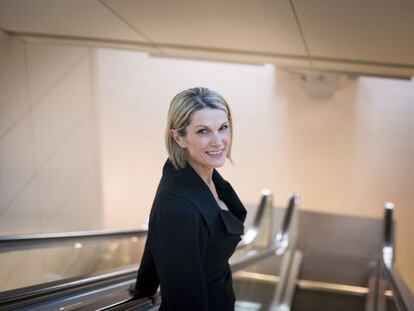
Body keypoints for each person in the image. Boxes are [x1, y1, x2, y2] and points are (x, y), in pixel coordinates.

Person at [132, 87, 247, 311]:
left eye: (223, 128)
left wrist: (144, 286)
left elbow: (156, 235)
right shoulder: (179, 206)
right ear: (179, 137)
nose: (218, 141)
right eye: (203, 131)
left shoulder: (194, 174)